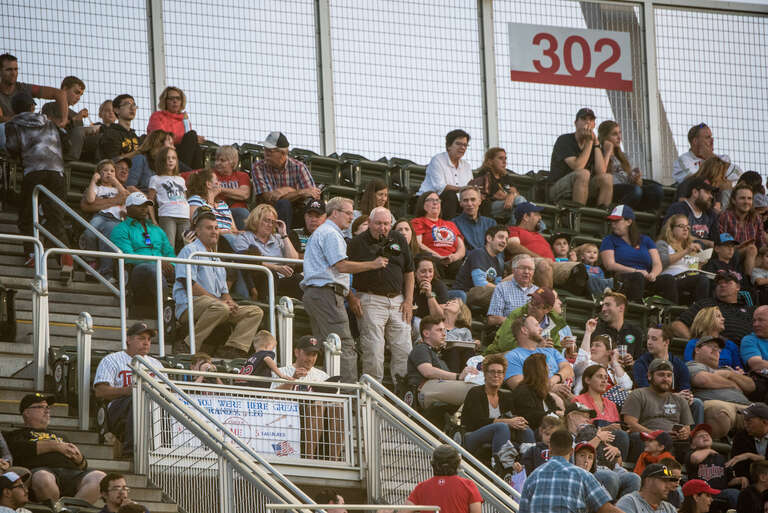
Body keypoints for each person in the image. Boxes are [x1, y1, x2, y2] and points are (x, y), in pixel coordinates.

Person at [301, 197, 387, 382]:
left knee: (325, 347)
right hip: (326, 294)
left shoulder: (322, 232)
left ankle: (331, 393)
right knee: (343, 344)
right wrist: (373, 264)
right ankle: (348, 393)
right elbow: (341, 266)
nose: (351, 216)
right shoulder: (331, 233)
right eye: (348, 212)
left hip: (316, 294)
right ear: (334, 213)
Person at [174, 206, 264, 358]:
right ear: (198, 231)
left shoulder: (216, 256)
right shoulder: (190, 250)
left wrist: (231, 303)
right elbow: (189, 284)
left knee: (255, 312)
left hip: (216, 307)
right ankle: (188, 344)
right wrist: (221, 302)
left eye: (216, 228)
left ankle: (232, 348)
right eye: (209, 228)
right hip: (189, 305)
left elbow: (224, 292)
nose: (214, 231)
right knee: (220, 307)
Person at [4, 90, 73, 276]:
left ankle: (31, 253)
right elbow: (67, 144)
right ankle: (65, 257)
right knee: (55, 216)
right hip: (57, 173)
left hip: (33, 171)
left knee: (27, 214)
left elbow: (11, 147)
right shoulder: (50, 122)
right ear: (32, 106)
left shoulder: (13, 124)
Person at [347, 207, 414, 383]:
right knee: (374, 351)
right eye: (378, 223)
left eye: (386, 224)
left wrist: (408, 301)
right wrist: (351, 297)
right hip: (370, 299)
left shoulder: (399, 238)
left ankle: (402, 395)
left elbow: (409, 272)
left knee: (404, 350)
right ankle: (372, 396)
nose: (382, 227)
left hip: (398, 300)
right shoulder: (356, 243)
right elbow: (341, 270)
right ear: (369, 223)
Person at [5, 393, 105, 503]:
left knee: (100, 478)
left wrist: (80, 459)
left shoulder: (62, 436)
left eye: (47, 407)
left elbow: (83, 466)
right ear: (26, 413)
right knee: (43, 477)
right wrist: (55, 446)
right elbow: (19, 450)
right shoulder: (16, 435)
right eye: (40, 407)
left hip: (71, 473)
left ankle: (70, 510)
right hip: (41, 471)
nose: (47, 410)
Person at [93, 322, 163, 457]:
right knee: (136, 398)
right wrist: (131, 390)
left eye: (148, 339)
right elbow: (100, 391)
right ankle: (131, 452)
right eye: (141, 338)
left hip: (151, 405)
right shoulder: (112, 360)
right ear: (128, 340)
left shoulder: (156, 364)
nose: (146, 343)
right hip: (119, 407)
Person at [270, 335, 344, 460]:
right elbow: (270, 398)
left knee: (338, 406)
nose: (311, 359)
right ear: (297, 352)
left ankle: (334, 459)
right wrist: (292, 380)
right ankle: (309, 457)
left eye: (314, 355)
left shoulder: (322, 375)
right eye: (308, 354)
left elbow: (334, 401)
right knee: (316, 405)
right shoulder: (281, 371)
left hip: (317, 417)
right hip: (288, 417)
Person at [518, 429, 619, 513]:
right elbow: (607, 509)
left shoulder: (533, 477)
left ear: (550, 449)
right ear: (571, 452)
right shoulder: (583, 475)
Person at [109, 192, 175, 316]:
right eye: (139, 205)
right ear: (128, 208)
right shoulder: (120, 229)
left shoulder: (157, 229)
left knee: (187, 269)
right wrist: (158, 262)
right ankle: (165, 305)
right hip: (137, 272)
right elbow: (128, 257)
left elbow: (169, 252)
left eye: (146, 205)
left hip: (161, 268)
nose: (144, 208)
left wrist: (171, 265)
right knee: (151, 268)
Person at [461, 354, 534, 458]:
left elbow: (511, 418)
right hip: (472, 435)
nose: (496, 375)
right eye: (492, 371)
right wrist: (507, 422)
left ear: (503, 376)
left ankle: (528, 462)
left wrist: (517, 420)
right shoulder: (475, 392)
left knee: (524, 428)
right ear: (485, 374)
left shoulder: (506, 396)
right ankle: (500, 466)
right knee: (502, 427)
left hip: (501, 435)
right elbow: (477, 421)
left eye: (500, 372)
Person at [600, 204, 677, 302]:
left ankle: (670, 313)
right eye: (612, 221)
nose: (613, 224)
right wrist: (635, 271)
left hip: (646, 278)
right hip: (623, 278)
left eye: (617, 221)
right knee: (638, 277)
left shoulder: (646, 240)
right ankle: (637, 310)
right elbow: (609, 265)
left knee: (669, 279)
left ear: (629, 221)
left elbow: (657, 263)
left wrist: (653, 274)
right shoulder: (609, 240)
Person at [622, 358, 693, 461]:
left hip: (674, 442)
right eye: (661, 375)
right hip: (648, 438)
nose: (666, 379)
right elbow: (630, 424)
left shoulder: (680, 400)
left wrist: (684, 432)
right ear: (649, 376)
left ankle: (675, 474)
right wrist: (655, 435)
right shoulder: (638, 394)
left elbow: (687, 428)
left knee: (692, 442)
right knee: (637, 437)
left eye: (669, 375)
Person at [506, 202, 585, 291]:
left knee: (579, 268)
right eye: (537, 214)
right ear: (526, 217)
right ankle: (547, 301)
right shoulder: (513, 230)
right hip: (529, 266)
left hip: (552, 265)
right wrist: (540, 258)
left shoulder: (539, 236)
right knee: (544, 265)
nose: (540, 217)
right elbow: (513, 246)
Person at [687, 335, 754, 440]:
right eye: (711, 346)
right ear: (697, 349)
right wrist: (732, 384)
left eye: (718, 349)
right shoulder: (692, 365)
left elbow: (750, 386)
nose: (716, 350)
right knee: (718, 412)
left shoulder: (727, 370)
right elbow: (703, 380)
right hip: (719, 404)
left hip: (746, 406)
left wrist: (730, 374)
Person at [251, 131, 320, 228]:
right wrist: (297, 192)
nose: (265, 154)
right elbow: (269, 198)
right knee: (283, 204)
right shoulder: (258, 167)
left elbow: (313, 194)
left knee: (315, 206)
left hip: (296, 211)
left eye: (270, 151)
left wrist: (286, 192)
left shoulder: (299, 167)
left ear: (283, 153)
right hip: (269, 214)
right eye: (265, 150)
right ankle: (283, 239)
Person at [232, 204, 302, 300]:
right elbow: (245, 260)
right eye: (266, 220)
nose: (270, 225)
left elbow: (293, 261)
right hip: (260, 278)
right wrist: (275, 267)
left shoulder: (278, 238)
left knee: (299, 279)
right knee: (270, 273)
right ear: (256, 220)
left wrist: (284, 234)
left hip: (281, 281)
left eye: (273, 222)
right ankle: (267, 307)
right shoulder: (244, 237)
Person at [405, 315, 477, 408]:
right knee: (475, 390)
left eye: (444, 330)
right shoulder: (421, 348)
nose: (444, 334)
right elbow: (428, 372)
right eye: (439, 330)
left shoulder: (434, 352)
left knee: (479, 389)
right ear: (426, 333)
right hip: (424, 389)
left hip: (436, 387)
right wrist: (458, 376)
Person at [634, 325, 701, 424]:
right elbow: (645, 392)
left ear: (666, 342)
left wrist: (688, 397)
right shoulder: (641, 363)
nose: (649, 342)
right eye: (648, 338)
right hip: (651, 404)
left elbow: (685, 390)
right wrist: (674, 396)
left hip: (675, 403)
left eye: (654, 339)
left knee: (696, 403)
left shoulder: (679, 365)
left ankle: (694, 436)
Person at [548, 107, 611, 207]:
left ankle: (603, 218)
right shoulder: (564, 140)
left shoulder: (593, 144)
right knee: (583, 173)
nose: (587, 122)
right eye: (583, 119)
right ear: (576, 123)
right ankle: (576, 215)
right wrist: (590, 142)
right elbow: (577, 167)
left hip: (583, 188)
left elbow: (601, 172)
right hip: (557, 188)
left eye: (591, 120)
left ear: (594, 125)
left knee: (607, 178)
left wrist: (596, 144)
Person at [673, 269, 755, 344]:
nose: (722, 285)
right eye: (719, 283)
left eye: (727, 282)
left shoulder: (751, 310)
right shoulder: (706, 304)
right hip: (716, 349)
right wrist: (698, 344)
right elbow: (677, 325)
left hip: (749, 352)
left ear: (738, 287)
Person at [598, 120, 662, 210]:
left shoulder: (624, 156)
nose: (619, 137)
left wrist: (636, 179)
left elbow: (636, 184)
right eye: (614, 134)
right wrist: (608, 152)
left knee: (656, 189)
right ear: (605, 137)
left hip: (629, 190)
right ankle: (617, 213)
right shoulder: (598, 154)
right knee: (636, 191)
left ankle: (648, 217)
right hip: (613, 190)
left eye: (619, 133)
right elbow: (601, 173)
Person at [502, 315, 574, 395]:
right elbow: (519, 386)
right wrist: (551, 388)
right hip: (538, 402)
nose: (541, 329)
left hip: (565, 395)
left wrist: (553, 380)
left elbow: (569, 370)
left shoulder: (551, 351)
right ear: (524, 330)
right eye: (536, 325)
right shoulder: (512, 356)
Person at [81, 159, 128, 280]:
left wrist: (115, 181)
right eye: (105, 171)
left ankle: (106, 272)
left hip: (115, 219)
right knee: (89, 233)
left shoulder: (118, 188)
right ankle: (92, 260)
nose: (109, 173)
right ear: (99, 173)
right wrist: (93, 180)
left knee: (106, 241)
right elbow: (90, 200)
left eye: (112, 171)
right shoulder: (98, 188)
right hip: (100, 216)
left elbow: (125, 195)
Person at [402, 445, 483, 513]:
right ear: (457, 463)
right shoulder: (468, 485)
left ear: (433, 464)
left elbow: (403, 511)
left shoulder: (421, 487)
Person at [486, 287, 566, 354]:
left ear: (547, 309)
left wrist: (550, 349)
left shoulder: (552, 322)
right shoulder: (517, 315)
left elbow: (557, 350)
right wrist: (536, 347)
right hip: (500, 357)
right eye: (531, 302)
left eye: (536, 305)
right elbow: (505, 344)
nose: (531, 307)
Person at [417, 129, 474, 220]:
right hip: (429, 200)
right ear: (448, 146)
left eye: (465, 145)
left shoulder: (466, 166)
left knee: (479, 201)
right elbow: (440, 187)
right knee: (450, 195)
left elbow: (470, 188)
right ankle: (448, 229)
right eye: (458, 144)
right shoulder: (437, 160)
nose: (463, 147)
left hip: (457, 202)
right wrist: (463, 189)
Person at [41, 76, 100, 161]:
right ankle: (70, 161)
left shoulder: (75, 114)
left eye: (81, 94)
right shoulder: (50, 106)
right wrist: (74, 119)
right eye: (76, 92)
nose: (78, 97)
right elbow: (51, 125)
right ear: (64, 89)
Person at [655, 214, 711, 304]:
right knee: (701, 280)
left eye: (687, 227)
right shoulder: (663, 244)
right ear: (671, 228)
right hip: (669, 280)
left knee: (705, 280)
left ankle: (700, 311)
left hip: (686, 280)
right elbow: (663, 261)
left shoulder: (689, 248)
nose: (685, 229)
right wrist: (686, 251)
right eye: (681, 226)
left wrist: (700, 265)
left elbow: (693, 271)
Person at [684, 423, 740, 509]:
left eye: (707, 435)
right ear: (692, 445)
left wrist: (741, 480)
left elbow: (729, 480)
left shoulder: (720, 457)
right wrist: (709, 450)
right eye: (700, 436)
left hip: (720, 493)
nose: (705, 436)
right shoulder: (691, 454)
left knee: (739, 493)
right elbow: (696, 458)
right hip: (701, 494)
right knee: (733, 494)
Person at [411, 190, 466, 279]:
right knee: (432, 265)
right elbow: (418, 244)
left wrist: (454, 257)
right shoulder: (418, 222)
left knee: (461, 267)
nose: (435, 203)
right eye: (431, 200)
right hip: (431, 259)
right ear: (423, 205)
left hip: (452, 260)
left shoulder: (450, 224)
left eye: (437, 200)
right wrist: (438, 257)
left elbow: (461, 248)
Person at [146, 86, 203, 169]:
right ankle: (188, 171)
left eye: (178, 98)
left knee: (194, 142)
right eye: (171, 98)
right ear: (165, 101)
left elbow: (188, 141)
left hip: (182, 153)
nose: (175, 101)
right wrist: (191, 139)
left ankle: (197, 174)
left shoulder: (184, 120)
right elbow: (160, 138)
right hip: (164, 153)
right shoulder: (157, 116)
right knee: (192, 136)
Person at [0, 53, 67, 124]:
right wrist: (34, 119)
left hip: (26, 130)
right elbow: (1, 119)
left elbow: (60, 93)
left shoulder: (24, 88)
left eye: (16, 69)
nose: (13, 73)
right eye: (9, 70)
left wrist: (64, 120)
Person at [452, 225, 507, 310]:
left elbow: (497, 283)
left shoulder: (498, 261)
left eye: (506, 239)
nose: (504, 241)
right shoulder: (478, 253)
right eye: (501, 237)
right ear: (489, 238)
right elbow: (479, 283)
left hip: (484, 294)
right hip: (466, 293)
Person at [672, 123, 742, 185]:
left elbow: (738, 174)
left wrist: (711, 157)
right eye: (707, 138)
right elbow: (694, 181)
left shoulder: (723, 158)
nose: (712, 141)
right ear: (695, 141)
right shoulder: (684, 160)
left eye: (711, 137)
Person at [147, 146, 189, 249]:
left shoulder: (181, 179)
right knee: (169, 247)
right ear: (161, 161)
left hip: (184, 216)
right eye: (167, 158)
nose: (170, 160)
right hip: (167, 215)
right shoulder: (155, 179)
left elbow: (185, 199)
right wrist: (153, 220)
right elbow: (149, 202)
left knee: (188, 246)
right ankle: (169, 265)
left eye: (173, 158)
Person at [509, 353, 563, 432]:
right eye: (546, 366)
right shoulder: (523, 391)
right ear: (540, 370)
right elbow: (530, 417)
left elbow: (555, 408)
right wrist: (554, 413)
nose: (549, 370)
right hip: (535, 431)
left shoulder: (542, 391)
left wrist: (557, 412)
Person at [718, 183, 763, 276]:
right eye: (742, 198)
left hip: (751, 257)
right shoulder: (726, 217)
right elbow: (722, 246)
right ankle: (748, 285)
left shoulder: (756, 218)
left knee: (755, 251)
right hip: (731, 255)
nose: (746, 201)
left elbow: (760, 245)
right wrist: (741, 247)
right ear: (734, 201)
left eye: (749, 198)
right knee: (752, 249)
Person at [469, 146, 522, 223]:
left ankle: (539, 229)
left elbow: (515, 192)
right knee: (519, 200)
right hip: (489, 207)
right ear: (490, 161)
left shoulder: (504, 175)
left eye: (505, 158)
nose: (504, 162)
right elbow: (499, 195)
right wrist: (511, 195)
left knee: (528, 206)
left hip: (506, 205)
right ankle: (514, 230)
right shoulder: (485, 174)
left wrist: (511, 195)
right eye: (500, 158)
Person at [187, 168, 239, 243]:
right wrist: (221, 232)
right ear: (208, 184)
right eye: (217, 180)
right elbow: (197, 226)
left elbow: (234, 229)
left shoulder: (223, 204)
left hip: (230, 238)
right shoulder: (196, 200)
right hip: (212, 238)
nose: (220, 183)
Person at [663, 178, 719, 248]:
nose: (711, 196)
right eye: (707, 192)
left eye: (711, 193)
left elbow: (716, 239)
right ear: (695, 192)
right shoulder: (679, 209)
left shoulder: (710, 214)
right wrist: (706, 243)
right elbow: (670, 234)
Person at [486, 254, 537, 327]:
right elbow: (492, 319)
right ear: (513, 270)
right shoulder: (502, 288)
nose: (526, 271)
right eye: (522, 268)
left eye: (530, 269)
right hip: (509, 332)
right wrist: (518, 324)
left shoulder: (538, 291)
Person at [592, 290, 643, 362]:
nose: (603, 309)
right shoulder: (596, 330)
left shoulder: (635, 332)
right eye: (603, 305)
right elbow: (589, 358)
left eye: (608, 305)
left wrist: (631, 362)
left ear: (621, 308)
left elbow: (639, 361)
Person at [211, 145, 250, 230]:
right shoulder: (210, 174)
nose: (217, 163)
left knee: (242, 213)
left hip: (237, 211)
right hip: (218, 211)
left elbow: (244, 194)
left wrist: (220, 189)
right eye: (216, 160)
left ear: (232, 162)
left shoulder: (242, 176)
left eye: (222, 160)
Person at [728, 402, 768, 484]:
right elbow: (738, 467)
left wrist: (750, 456)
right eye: (744, 420)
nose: (745, 425)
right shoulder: (741, 437)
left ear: (765, 422)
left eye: (749, 421)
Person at [615, 463, 679, 513]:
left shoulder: (669, 509)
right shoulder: (629, 503)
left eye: (669, 481)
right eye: (664, 481)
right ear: (648, 481)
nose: (668, 486)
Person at [451, 186, 496, 252]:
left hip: (490, 260)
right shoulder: (453, 224)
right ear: (460, 203)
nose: (469, 204)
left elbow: (497, 248)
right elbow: (459, 250)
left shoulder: (491, 223)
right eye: (465, 200)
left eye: (473, 199)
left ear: (480, 201)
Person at [99, 94, 140, 160]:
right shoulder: (111, 134)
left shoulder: (134, 136)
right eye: (127, 104)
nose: (132, 108)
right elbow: (114, 160)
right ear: (116, 110)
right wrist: (138, 152)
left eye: (134, 105)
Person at [412, 256, 449, 325]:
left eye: (430, 271)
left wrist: (430, 295)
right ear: (415, 272)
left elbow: (440, 318)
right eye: (423, 271)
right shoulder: (409, 284)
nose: (427, 275)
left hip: (431, 324)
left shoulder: (439, 286)